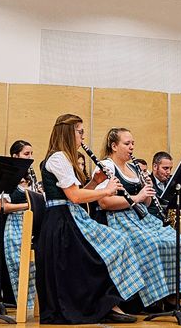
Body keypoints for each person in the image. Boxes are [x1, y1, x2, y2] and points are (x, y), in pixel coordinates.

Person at [35, 114, 145, 324]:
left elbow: (77, 196)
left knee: (118, 241)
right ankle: (105, 304)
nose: (83, 137)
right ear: (68, 132)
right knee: (111, 245)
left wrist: (95, 182)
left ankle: (109, 303)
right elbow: (75, 196)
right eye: (80, 132)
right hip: (61, 224)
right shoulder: (57, 158)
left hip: (70, 217)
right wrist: (107, 191)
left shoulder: (65, 158)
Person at [97, 128, 181, 311]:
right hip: (118, 218)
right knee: (149, 243)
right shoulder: (106, 166)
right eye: (127, 144)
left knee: (177, 240)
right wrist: (137, 198)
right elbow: (104, 202)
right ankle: (151, 298)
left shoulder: (134, 168)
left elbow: (147, 202)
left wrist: (148, 191)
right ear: (114, 146)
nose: (132, 147)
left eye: (133, 143)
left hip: (141, 216)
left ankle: (172, 295)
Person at [0, 140, 37, 303]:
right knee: (20, 264)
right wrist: (30, 204)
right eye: (26, 154)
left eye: (31, 154)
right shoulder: (7, 179)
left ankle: (36, 303)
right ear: (15, 156)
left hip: (32, 223)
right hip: (15, 226)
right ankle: (23, 301)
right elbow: (2, 207)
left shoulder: (31, 178)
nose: (30, 158)